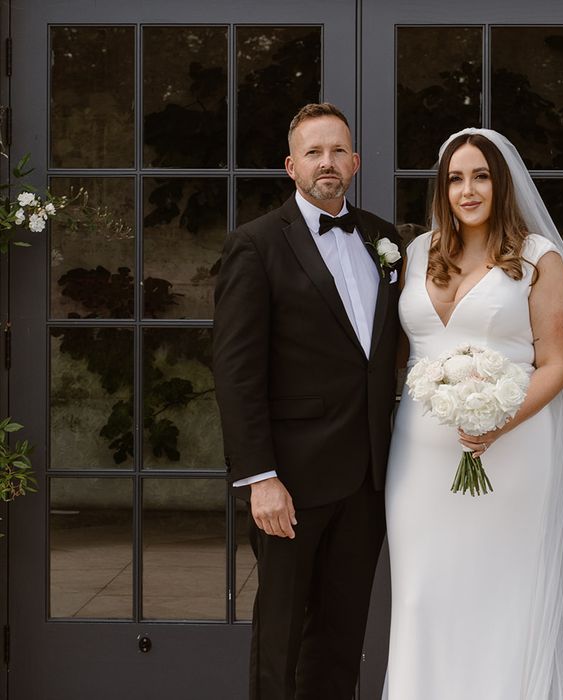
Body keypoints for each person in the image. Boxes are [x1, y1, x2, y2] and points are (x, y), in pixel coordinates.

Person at [383, 128, 563, 699]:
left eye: (480, 176)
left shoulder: (539, 260)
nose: (467, 190)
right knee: (421, 594)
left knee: (501, 594)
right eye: (455, 179)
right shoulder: (418, 252)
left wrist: (500, 421)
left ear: (501, 183)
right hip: (418, 457)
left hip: (512, 451)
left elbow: (555, 364)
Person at [213, 102, 401, 700]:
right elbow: (236, 371)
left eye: (337, 151)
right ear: (290, 167)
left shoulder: (383, 238)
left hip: (368, 478)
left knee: (342, 636)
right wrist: (260, 478)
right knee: (281, 635)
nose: (327, 162)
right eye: (314, 153)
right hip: (289, 481)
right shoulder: (255, 245)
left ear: (355, 161)